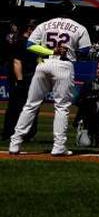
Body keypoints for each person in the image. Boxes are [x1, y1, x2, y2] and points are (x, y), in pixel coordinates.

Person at [7, 12, 91, 156]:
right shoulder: (79, 27)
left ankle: (15, 143)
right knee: (61, 107)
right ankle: (58, 146)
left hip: (43, 63)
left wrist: (50, 50)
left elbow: (30, 45)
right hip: (63, 65)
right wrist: (69, 52)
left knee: (30, 105)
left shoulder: (44, 25)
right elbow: (85, 50)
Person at [3, 21, 38, 142]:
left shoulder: (28, 43)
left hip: (27, 77)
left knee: (24, 106)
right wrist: (20, 80)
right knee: (17, 106)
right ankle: (11, 133)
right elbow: (16, 62)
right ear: (29, 29)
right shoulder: (21, 42)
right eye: (35, 29)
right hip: (22, 78)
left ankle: (23, 133)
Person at [75, 58, 99, 148]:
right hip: (87, 121)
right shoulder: (88, 83)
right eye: (98, 68)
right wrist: (90, 99)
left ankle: (98, 135)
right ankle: (81, 133)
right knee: (85, 144)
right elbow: (78, 101)